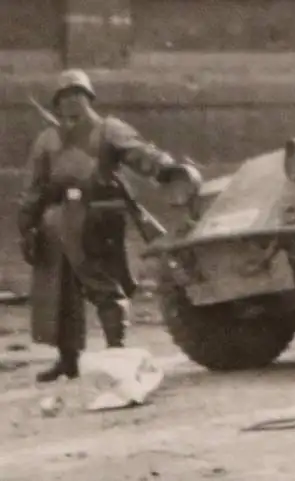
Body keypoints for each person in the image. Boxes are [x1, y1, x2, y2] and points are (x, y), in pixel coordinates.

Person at [17, 69, 191, 383]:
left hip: (96, 216)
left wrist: (166, 168)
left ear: (89, 98)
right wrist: (27, 226)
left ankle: (116, 352)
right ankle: (67, 360)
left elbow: (139, 153)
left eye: (78, 95)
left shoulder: (109, 130)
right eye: (65, 97)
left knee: (104, 285)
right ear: (57, 104)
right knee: (58, 292)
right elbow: (34, 186)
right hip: (55, 220)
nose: (72, 102)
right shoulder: (47, 140)